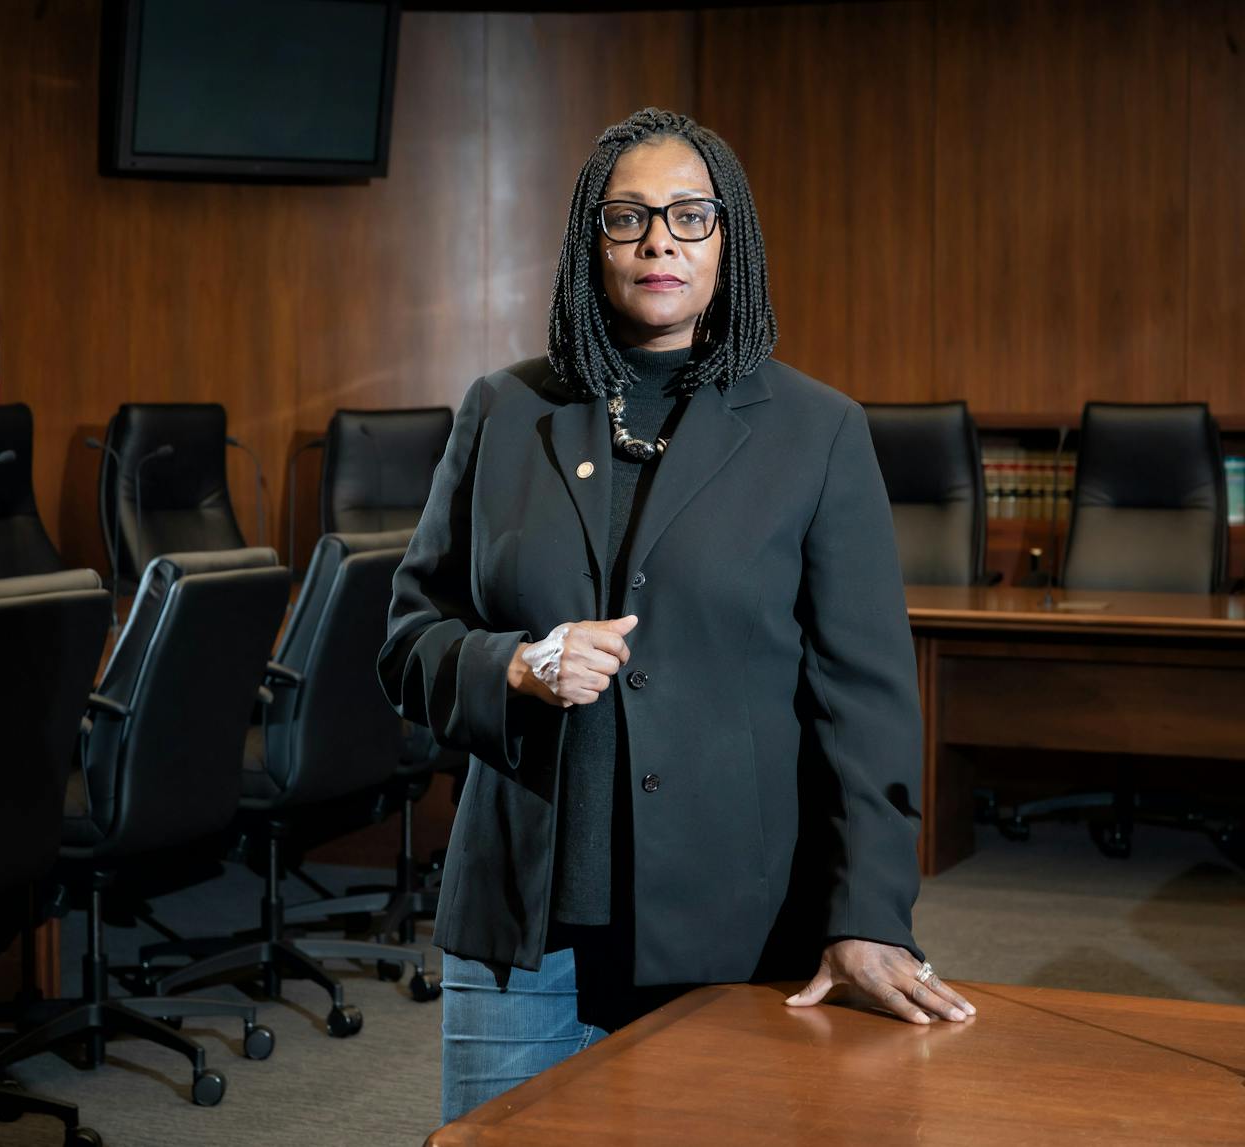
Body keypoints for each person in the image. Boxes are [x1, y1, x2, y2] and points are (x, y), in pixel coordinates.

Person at [377, 107, 974, 1124]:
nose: (661, 240)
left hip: (733, 927)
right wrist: (516, 666)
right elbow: (406, 640)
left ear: (726, 240)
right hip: (522, 921)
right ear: (589, 244)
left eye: (690, 216)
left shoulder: (816, 431)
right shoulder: (500, 411)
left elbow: (865, 703)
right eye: (630, 217)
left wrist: (869, 912)